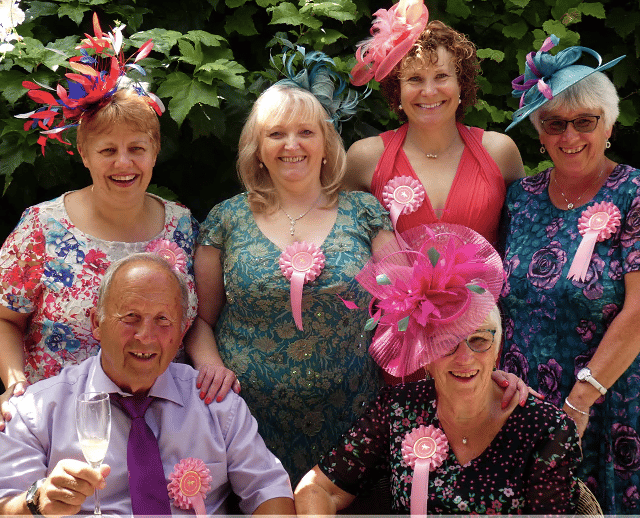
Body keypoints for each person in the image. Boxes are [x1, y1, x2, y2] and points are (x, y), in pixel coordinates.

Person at [184, 47, 396, 485]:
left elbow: (406, 302)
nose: (292, 145)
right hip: (247, 425)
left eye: (305, 132)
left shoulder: (364, 212)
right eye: (276, 133)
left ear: (326, 144)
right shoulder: (226, 219)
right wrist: (211, 368)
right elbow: (201, 319)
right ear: (258, 149)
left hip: (351, 423)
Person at [294, 223, 582, 515]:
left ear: (498, 348)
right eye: (447, 343)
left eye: (480, 340)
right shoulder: (397, 409)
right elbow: (319, 487)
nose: (465, 357)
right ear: (426, 353)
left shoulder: (546, 429)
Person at [0, 16, 198, 431]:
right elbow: (4, 317)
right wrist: (13, 379)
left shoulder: (181, 226)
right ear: (84, 153)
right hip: (59, 425)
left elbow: (194, 321)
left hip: (162, 424)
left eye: (136, 148)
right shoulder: (42, 229)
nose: (123, 163)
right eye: (108, 149)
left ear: (156, 151)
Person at [0, 253, 295, 516]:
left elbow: (269, 491)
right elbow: (6, 505)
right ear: (96, 323)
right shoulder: (36, 412)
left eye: (163, 320)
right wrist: (36, 502)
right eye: (131, 317)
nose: (146, 335)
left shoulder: (216, 403)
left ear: (181, 333)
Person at [500, 35, 640, 514]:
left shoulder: (634, 193)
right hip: (522, 405)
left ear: (609, 126)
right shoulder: (520, 198)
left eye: (585, 122)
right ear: (539, 132)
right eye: (555, 123)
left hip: (605, 404)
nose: (569, 136)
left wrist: (579, 405)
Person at [346, 0, 524, 246]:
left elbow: (522, 241)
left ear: (461, 82)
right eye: (415, 79)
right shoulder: (365, 158)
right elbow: (345, 246)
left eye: (441, 76)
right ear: (396, 89)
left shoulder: (499, 152)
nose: (429, 91)